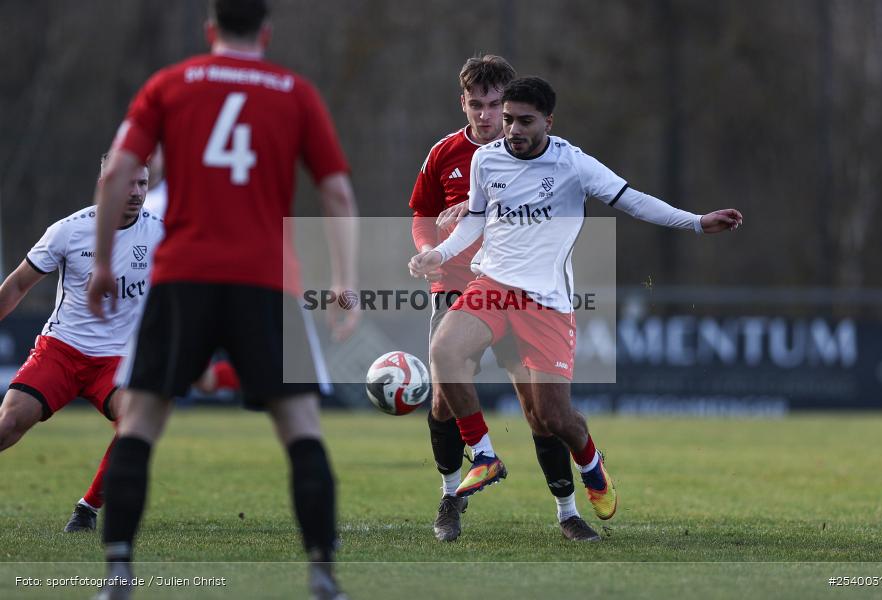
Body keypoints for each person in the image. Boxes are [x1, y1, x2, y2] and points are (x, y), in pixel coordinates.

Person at [87, 1, 358, 599]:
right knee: (300, 426)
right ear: (265, 31)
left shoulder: (169, 84)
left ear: (210, 30)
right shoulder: (294, 92)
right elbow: (336, 192)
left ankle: (118, 572)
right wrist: (345, 279)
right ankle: (321, 573)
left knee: (142, 420)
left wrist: (103, 262)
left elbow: (118, 173)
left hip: (183, 276)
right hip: (268, 282)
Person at [409, 76, 743, 524]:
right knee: (444, 351)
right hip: (492, 285)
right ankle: (485, 455)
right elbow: (473, 220)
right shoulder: (486, 160)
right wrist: (438, 252)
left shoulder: (573, 164)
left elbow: (634, 201)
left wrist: (698, 223)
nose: (513, 130)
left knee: (552, 418)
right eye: (508, 120)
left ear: (548, 120)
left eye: (524, 121)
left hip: (546, 300)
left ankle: (590, 464)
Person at [410, 56, 600, 542]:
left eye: (496, 106)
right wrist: (430, 250)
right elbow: (422, 214)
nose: (488, 116)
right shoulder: (446, 153)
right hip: (457, 287)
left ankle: (567, 511)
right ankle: (451, 498)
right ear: (464, 104)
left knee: (539, 409)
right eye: (478, 105)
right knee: (444, 399)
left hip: (518, 291)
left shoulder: (533, 152)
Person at [0, 154, 163, 533]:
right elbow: (19, 285)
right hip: (62, 349)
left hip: (119, 359)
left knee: (137, 424)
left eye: (143, 183)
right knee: (8, 423)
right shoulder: (69, 230)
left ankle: (87, 509)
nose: (137, 193)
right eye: (128, 184)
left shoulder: (160, 233)